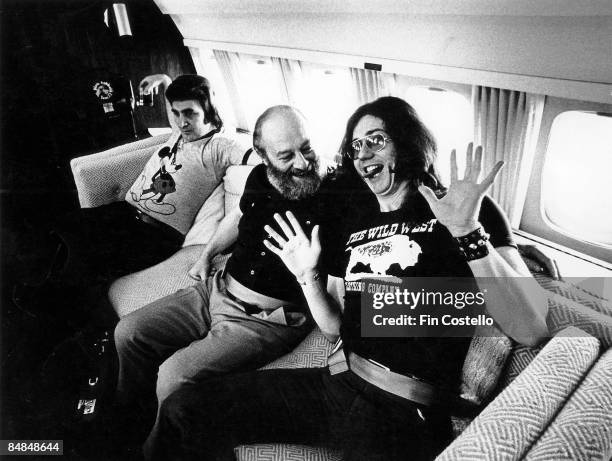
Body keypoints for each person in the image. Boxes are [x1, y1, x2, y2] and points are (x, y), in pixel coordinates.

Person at [146, 97, 549, 461]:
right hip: (338, 383)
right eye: (356, 147)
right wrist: (307, 277)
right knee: (185, 407)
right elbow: (333, 326)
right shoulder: (356, 222)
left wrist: (467, 233)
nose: (363, 154)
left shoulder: (464, 210)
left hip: (404, 408)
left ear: (408, 143)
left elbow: (530, 327)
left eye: (376, 140)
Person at [114, 105, 342, 445]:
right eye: (286, 156)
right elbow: (237, 217)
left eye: (306, 147)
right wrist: (206, 255)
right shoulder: (258, 179)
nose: (302, 163)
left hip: (264, 319)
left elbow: (337, 312)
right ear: (264, 157)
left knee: (172, 377)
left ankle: (154, 451)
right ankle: (124, 419)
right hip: (215, 289)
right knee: (129, 332)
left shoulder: (337, 196)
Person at [13, 73, 246, 327]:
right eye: (177, 113)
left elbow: (257, 156)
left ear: (209, 110)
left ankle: (62, 315)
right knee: (61, 222)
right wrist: (164, 79)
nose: (181, 121)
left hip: (154, 234)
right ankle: (48, 289)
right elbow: (172, 105)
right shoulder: (178, 133)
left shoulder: (220, 146)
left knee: (89, 257)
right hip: (124, 213)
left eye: (189, 113)